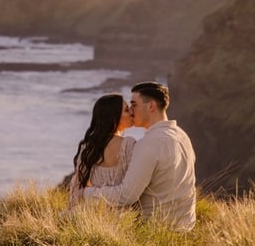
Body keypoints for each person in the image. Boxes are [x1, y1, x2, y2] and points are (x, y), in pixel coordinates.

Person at [83, 81, 197, 231]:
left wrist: (87, 192)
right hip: (186, 225)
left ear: (151, 106)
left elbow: (127, 195)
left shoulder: (149, 144)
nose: (131, 111)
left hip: (156, 228)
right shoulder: (182, 136)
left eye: (134, 105)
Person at [69, 93, 135, 207]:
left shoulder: (88, 146)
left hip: (92, 209)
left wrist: (72, 210)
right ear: (114, 118)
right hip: (121, 211)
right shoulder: (128, 144)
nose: (131, 113)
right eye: (126, 110)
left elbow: (77, 186)